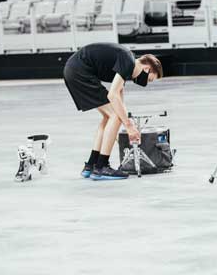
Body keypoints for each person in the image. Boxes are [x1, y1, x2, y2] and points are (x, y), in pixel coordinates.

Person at [63, 42, 163, 180]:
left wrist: (124, 124)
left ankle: (91, 164)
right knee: (114, 116)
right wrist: (129, 126)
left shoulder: (127, 65)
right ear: (147, 69)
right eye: (150, 80)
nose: (147, 83)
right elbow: (112, 95)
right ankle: (102, 167)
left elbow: (118, 101)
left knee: (108, 116)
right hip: (79, 71)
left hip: (74, 70)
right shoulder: (128, 61)